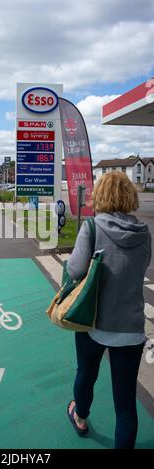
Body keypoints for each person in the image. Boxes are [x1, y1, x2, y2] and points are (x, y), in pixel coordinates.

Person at [66, 171, 151, 449]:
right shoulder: (144, 233)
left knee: (86, 374)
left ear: (99, 195)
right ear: (129, 196)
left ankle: (80, 416)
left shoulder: (92, 228)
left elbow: (76, 270)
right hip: (131, 328)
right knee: (126, 405)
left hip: (93, 321)